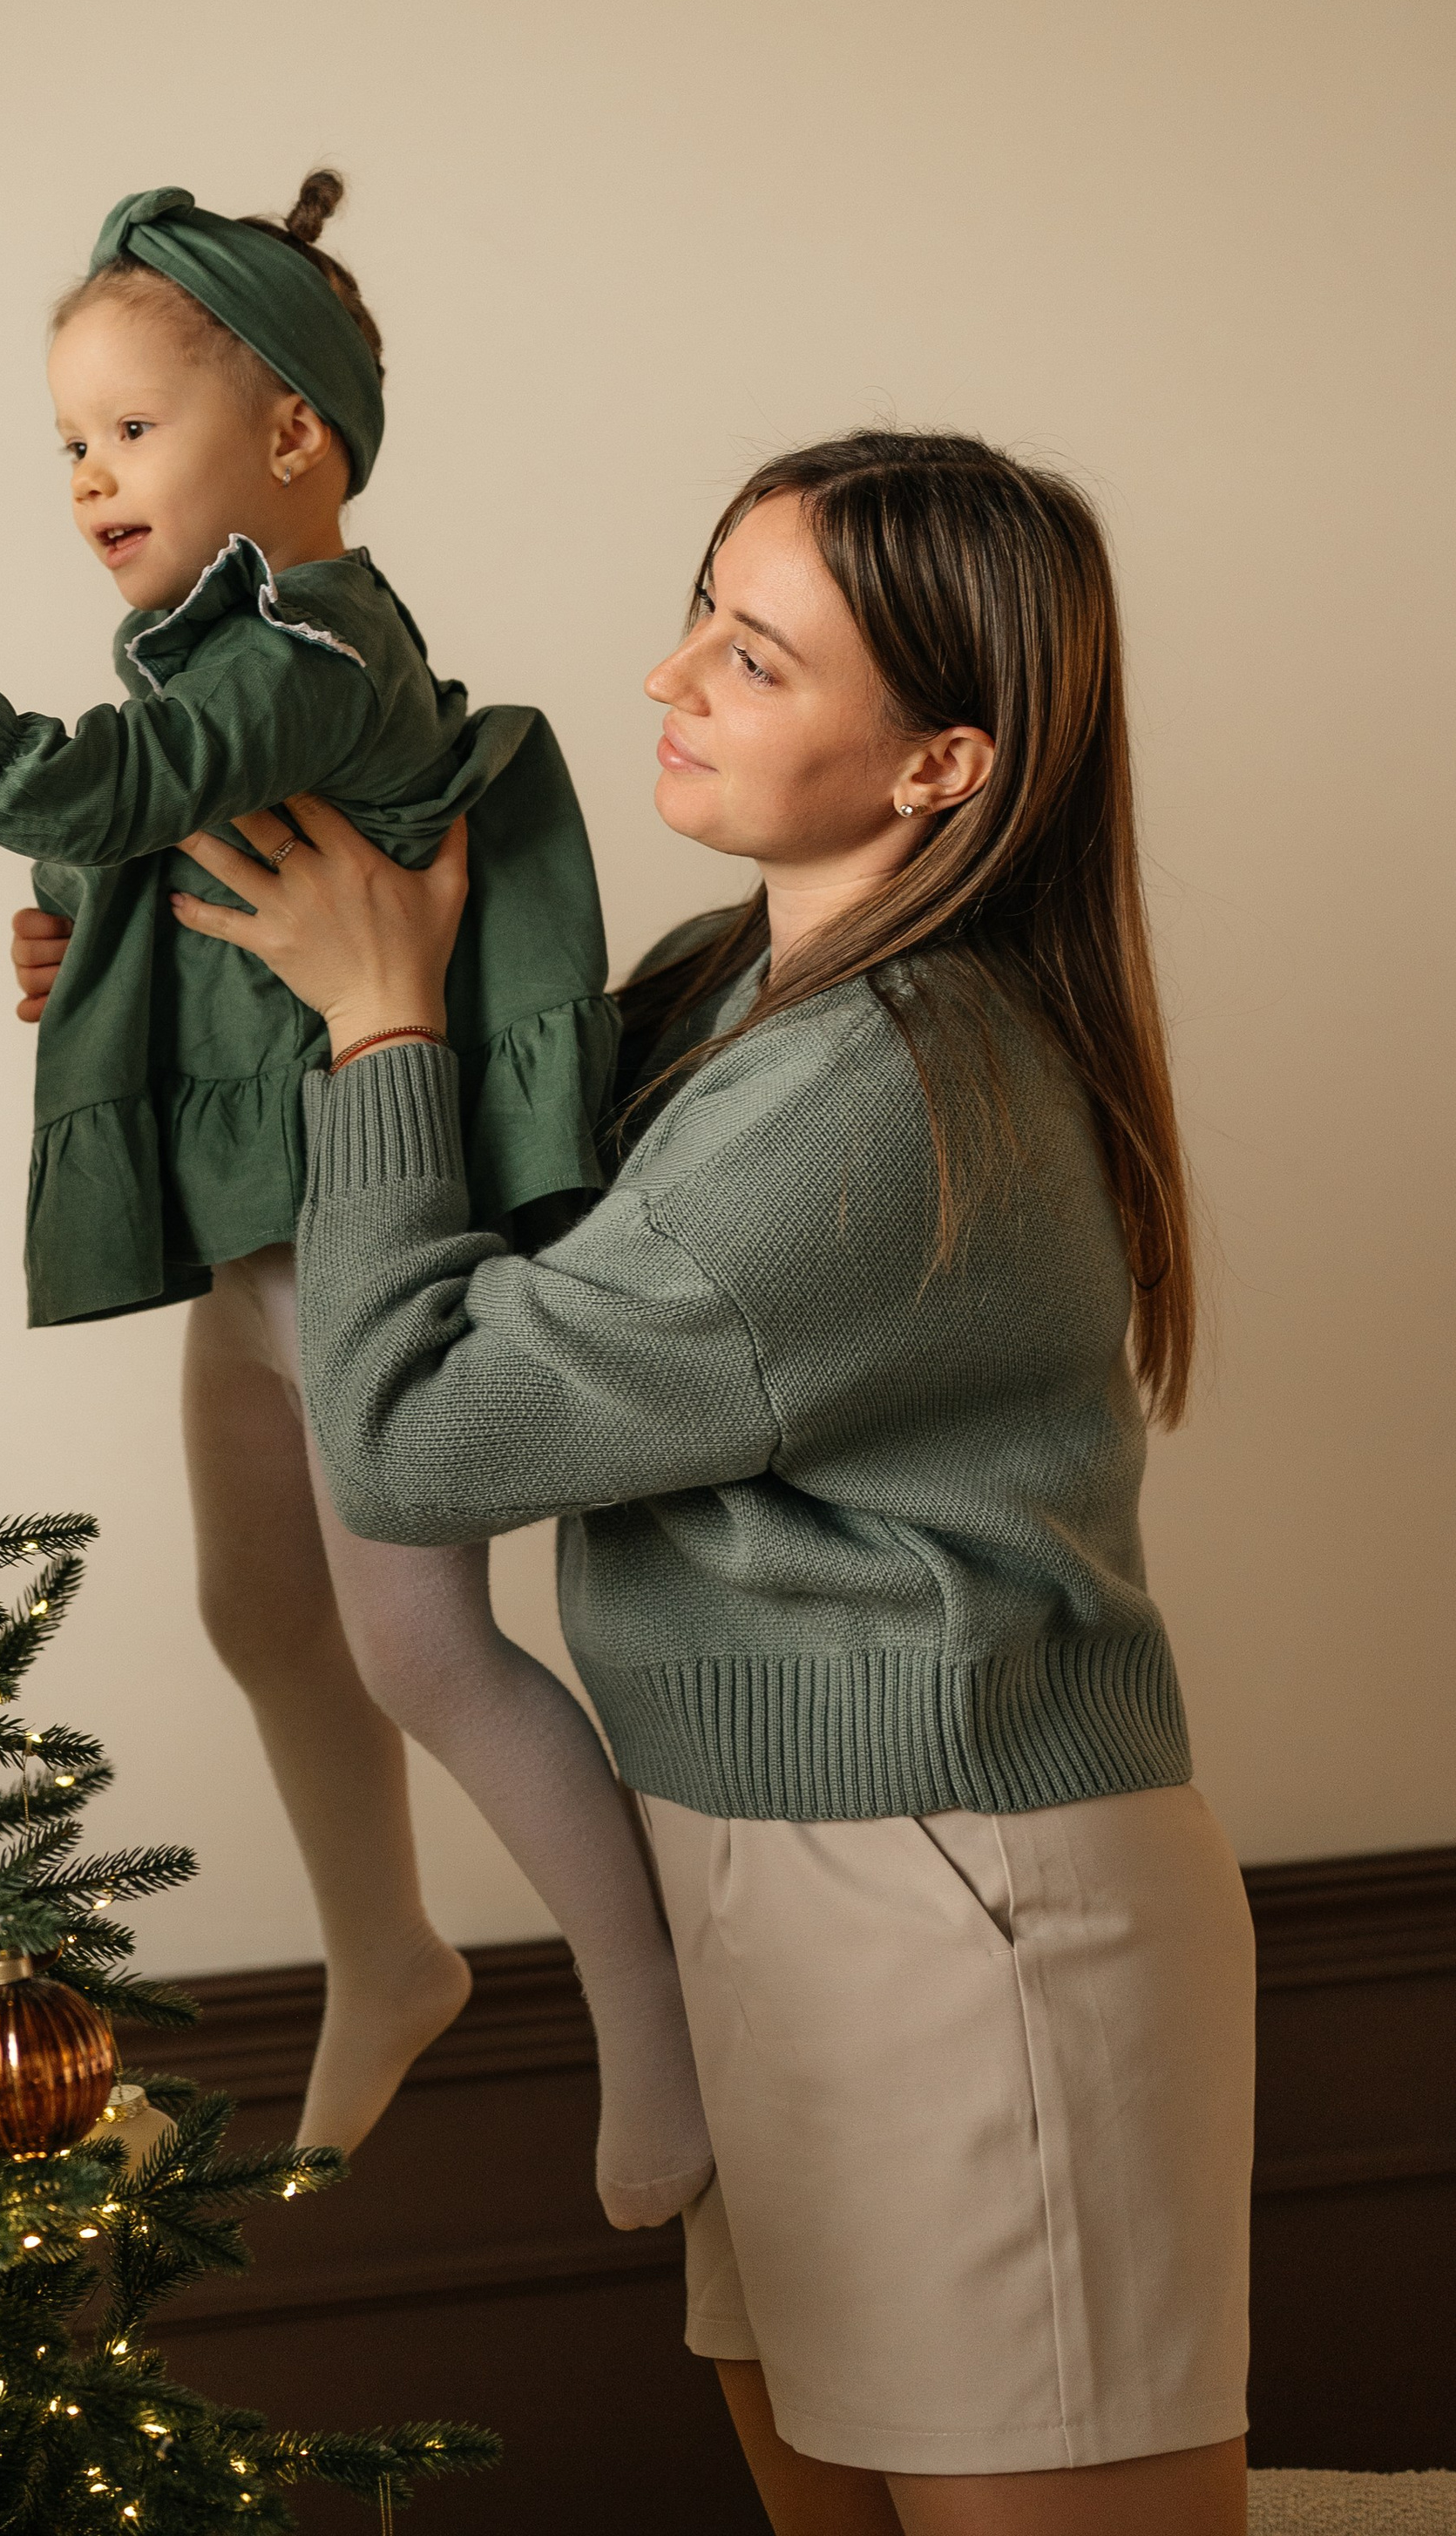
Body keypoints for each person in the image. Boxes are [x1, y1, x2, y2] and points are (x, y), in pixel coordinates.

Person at [169, 430, 1254, 2535]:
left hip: (953, 1906)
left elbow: (414, 1435)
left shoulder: (881, 1097)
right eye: (698, 615)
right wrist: (256, 1007)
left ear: (940, 763)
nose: (666, 682)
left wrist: (382, 1041)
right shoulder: (721, 1000)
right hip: (749, 1868)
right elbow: (459, 1197)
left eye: (752, 659)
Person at [0, 173, 714, 2224]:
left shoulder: (319, 645)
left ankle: (656, 2016)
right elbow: (128, 851)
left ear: (293, 439)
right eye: (65, 440)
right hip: (259, 1231)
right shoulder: (212, 653)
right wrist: (90, 957)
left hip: (362, 1206)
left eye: (129, 429)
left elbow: (84, 787)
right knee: (259, 1611)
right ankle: (386, 1952)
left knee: (417, 1643)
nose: (84, 477)